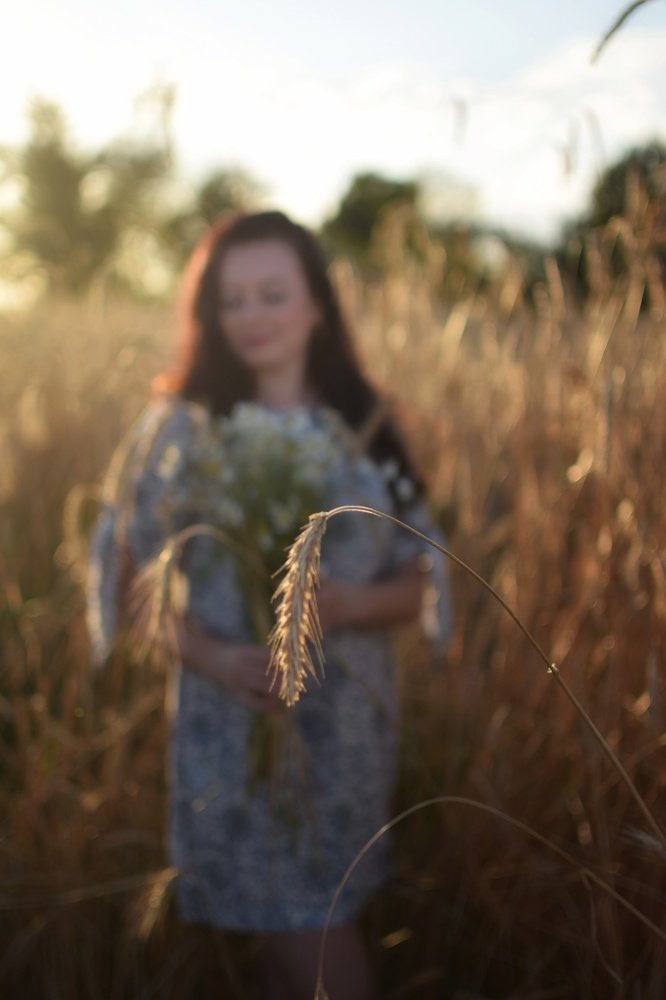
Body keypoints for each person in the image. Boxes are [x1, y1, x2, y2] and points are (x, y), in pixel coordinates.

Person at [87, 210, 452, 1000]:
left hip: (342, 729)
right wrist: (216, 654)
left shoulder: (367, 429)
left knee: (312, 922)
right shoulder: (179, 432)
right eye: (232, 299)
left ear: (316, 303)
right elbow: (129, 579)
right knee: (280, 928)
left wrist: (351, 605)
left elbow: (429, 575)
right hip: (226, 723)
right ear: (209, 314)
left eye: (272, 294)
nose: (251, 316)